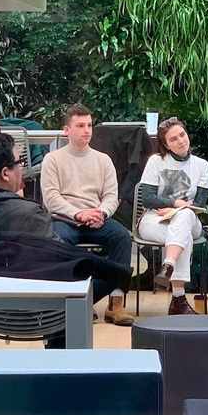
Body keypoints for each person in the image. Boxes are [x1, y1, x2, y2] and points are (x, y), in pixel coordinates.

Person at [0, 132, 121, 348]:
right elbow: (61, 267)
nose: (22, 168)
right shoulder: (29, 215)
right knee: (108, 275)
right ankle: (64, 365)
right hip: (33, 316)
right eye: (20, 162)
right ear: (5, 173)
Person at [39, 104, 135, 326]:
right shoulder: (53, 160)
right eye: (80, 125)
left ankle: (114, 303)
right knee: (59, 242)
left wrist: (100, 212)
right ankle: (75, 299)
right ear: (66, 130)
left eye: (89, 125)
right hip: (65, 219)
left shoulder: (103, 160)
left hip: (98, 218)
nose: (87, 130)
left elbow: (112, 196)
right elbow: (51, 199)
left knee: (122, 238)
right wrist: (79, 214)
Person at [137, 117, 208, 315]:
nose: (181, 141)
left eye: (182, 135)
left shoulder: (201, 165)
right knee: (183, 237)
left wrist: (176, 210)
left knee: (185, 217)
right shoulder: (156, 161)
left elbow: (199, 205)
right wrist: (176, 203)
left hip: (190, 219)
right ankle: (178, 299)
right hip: (155, 219)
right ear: (165, 145)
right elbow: (147, 199)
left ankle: (168, 266)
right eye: (173, 139)